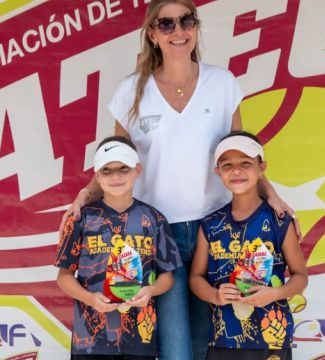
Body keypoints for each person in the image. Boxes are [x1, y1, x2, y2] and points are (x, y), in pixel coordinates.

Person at [64, 1, 295, 358]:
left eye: (186, 21)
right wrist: (84, 195)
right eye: (167, 24)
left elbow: (240, 154)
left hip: (215, 230)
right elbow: (118, 161)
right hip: (157, 233)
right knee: (175, 348)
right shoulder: (131, 91)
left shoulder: (221, 83)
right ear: (153, 34)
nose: (178, 31)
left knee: (208, 342)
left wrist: (273, 197)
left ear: (195, 27)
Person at [55, 137, 182, 359]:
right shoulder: (80, 219)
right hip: (90, 340)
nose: (115, 176)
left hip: (140, 339)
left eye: (124, 169)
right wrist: (89, 298)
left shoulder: (154, 219)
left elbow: (167, 277)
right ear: (97, 175)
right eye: (107, 170)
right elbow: (64, 277)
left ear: (138, 170)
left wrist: (150, 291)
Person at [189, 131, 308, 360]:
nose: (237, 171)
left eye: (246, 163)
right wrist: (215, 295)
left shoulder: (279, 221)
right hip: (222, 339)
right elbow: (195, 278)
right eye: (227, 165)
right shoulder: (211, 224)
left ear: (262, 168)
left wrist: (275, 293)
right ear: (218, 172)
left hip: (272, 337)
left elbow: (300, 276)